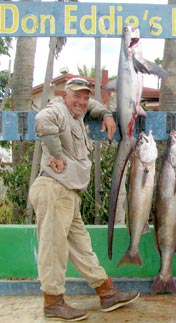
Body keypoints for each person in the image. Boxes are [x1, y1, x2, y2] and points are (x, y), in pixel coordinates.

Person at [28, 77, 140, 321]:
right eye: (76, 95)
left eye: (85, 96)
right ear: (64, 95)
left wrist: (106, 115)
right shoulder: (57, 109)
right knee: (54, 248)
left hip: (68, 194)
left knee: (81, 247)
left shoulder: (77, 111)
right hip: (54, 189)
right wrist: (56, 154)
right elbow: (41, 120)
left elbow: (92, 107)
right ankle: (53, 302)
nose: (81, 100)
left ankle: (106, 292)